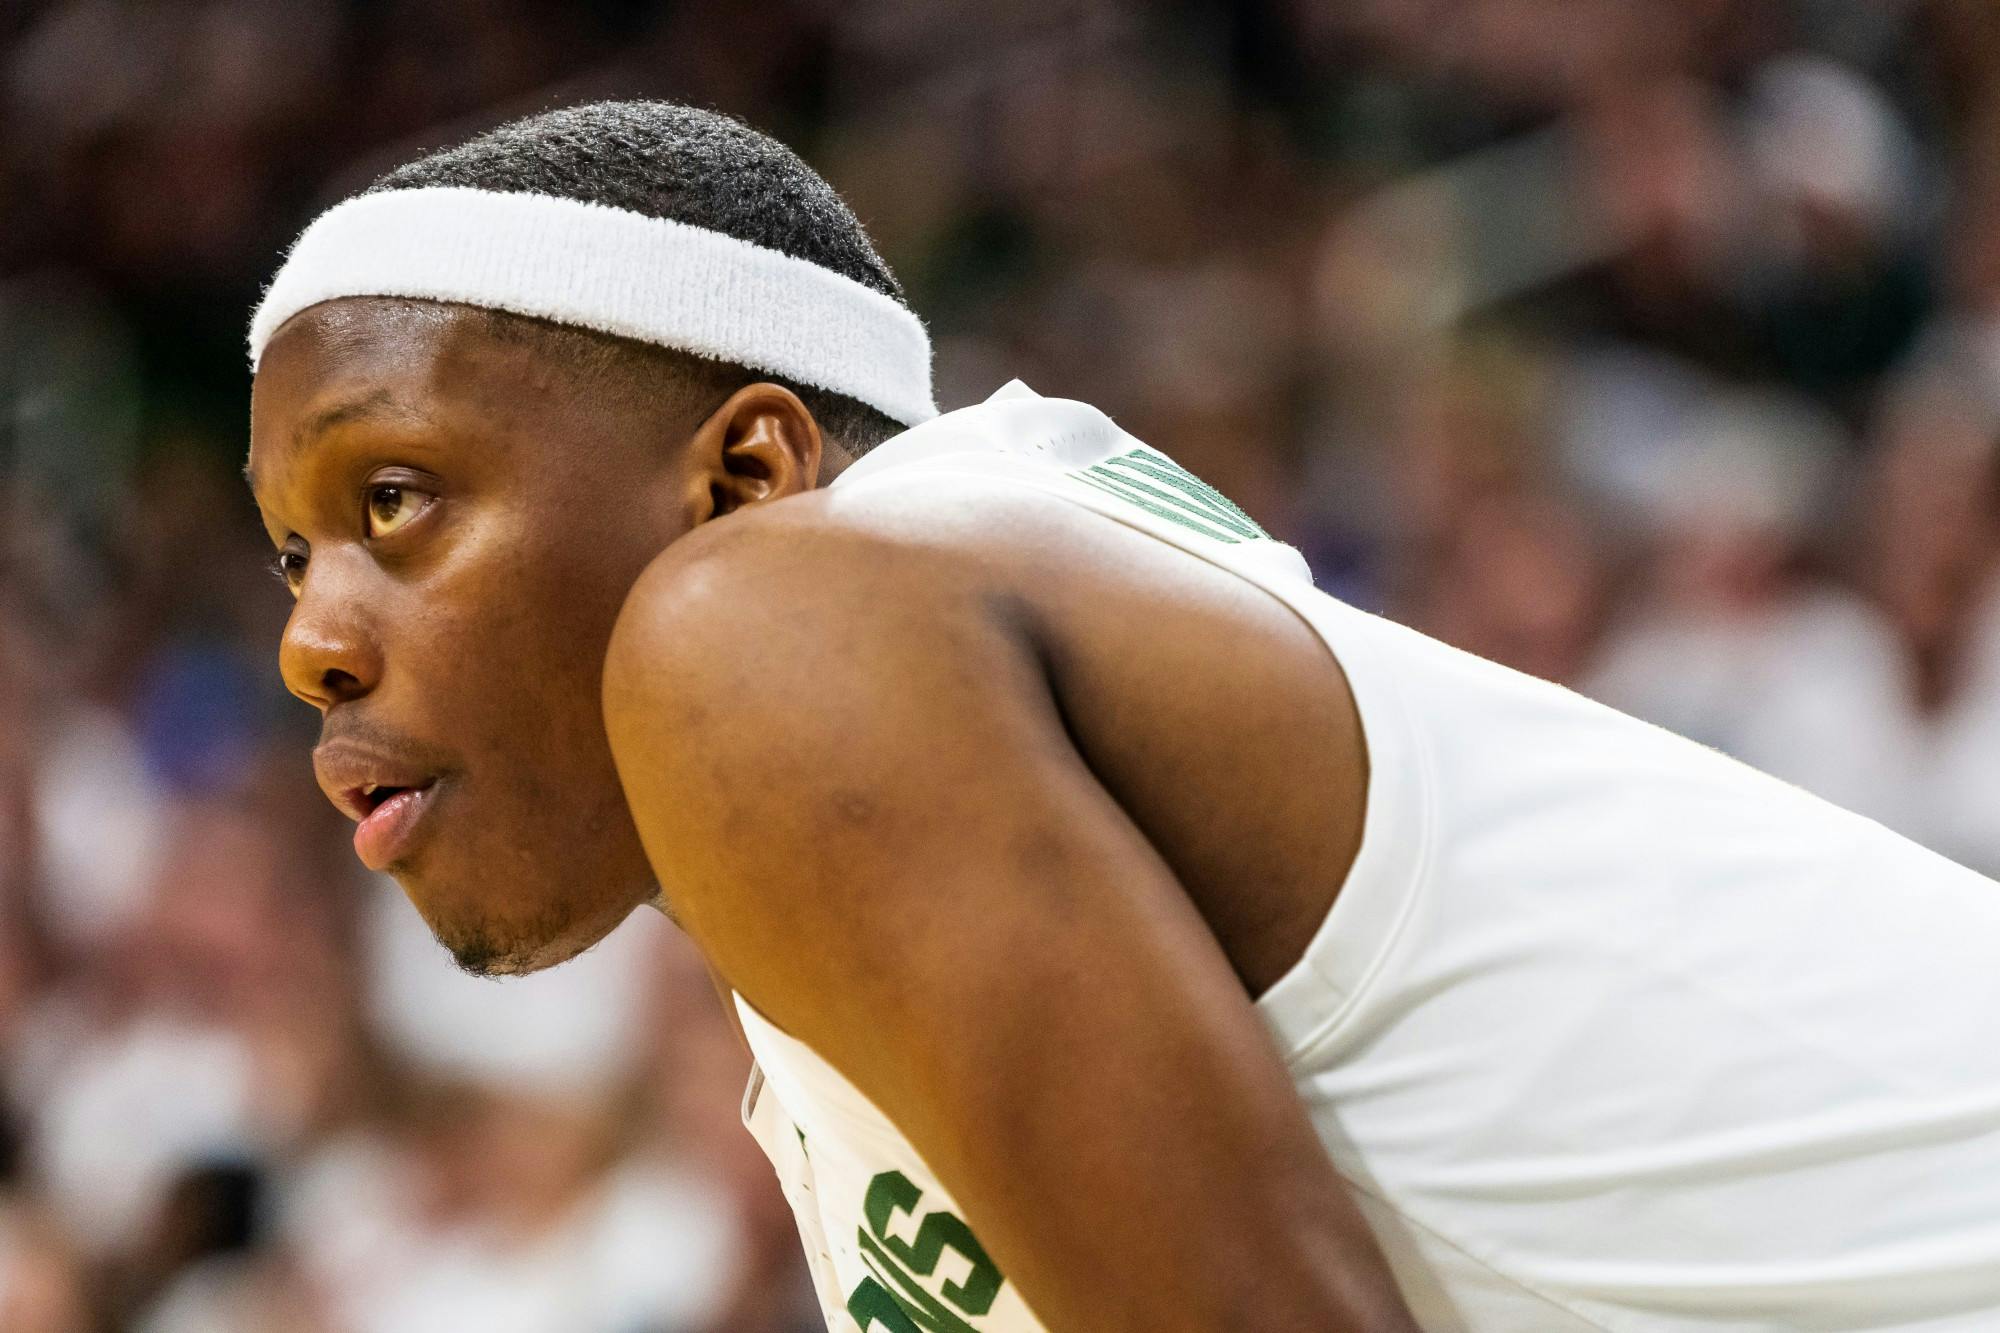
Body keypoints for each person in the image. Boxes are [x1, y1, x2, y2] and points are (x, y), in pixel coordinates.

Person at [243, 101, 2000, 1332]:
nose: (312, 640)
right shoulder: (899, 752)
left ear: (749, 468)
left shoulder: (778, 622)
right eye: (289, 551)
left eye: (396, 497)